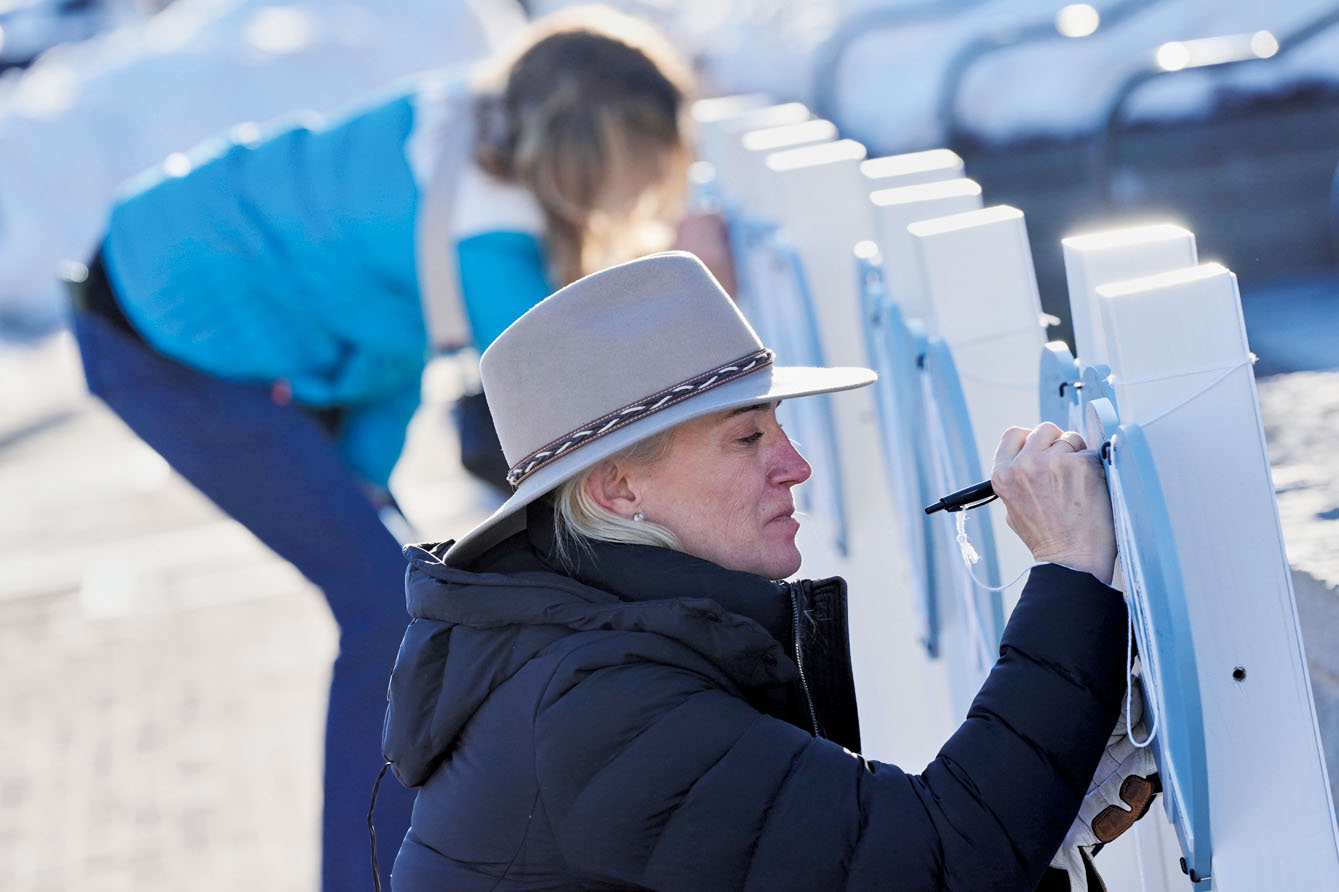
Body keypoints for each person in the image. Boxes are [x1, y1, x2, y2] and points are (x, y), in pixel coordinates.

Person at [66, 8, 696, 890]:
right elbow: (575, 400)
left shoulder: (461, 133)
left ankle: (416, 857)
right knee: (386, 613)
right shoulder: (493, 233)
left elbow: (388, 328)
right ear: (592, 150)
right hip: (160, 344)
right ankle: (363, 876)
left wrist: (366, 472)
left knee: (406, 594)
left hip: (184, 290)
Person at [381, 251, 1133, 891]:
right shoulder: (605, 707)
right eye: (746, 439)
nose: (796, 467)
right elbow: (936, 864)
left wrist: (1047, 799)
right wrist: (1067, 566)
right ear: (619, 489)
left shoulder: (589, 648)